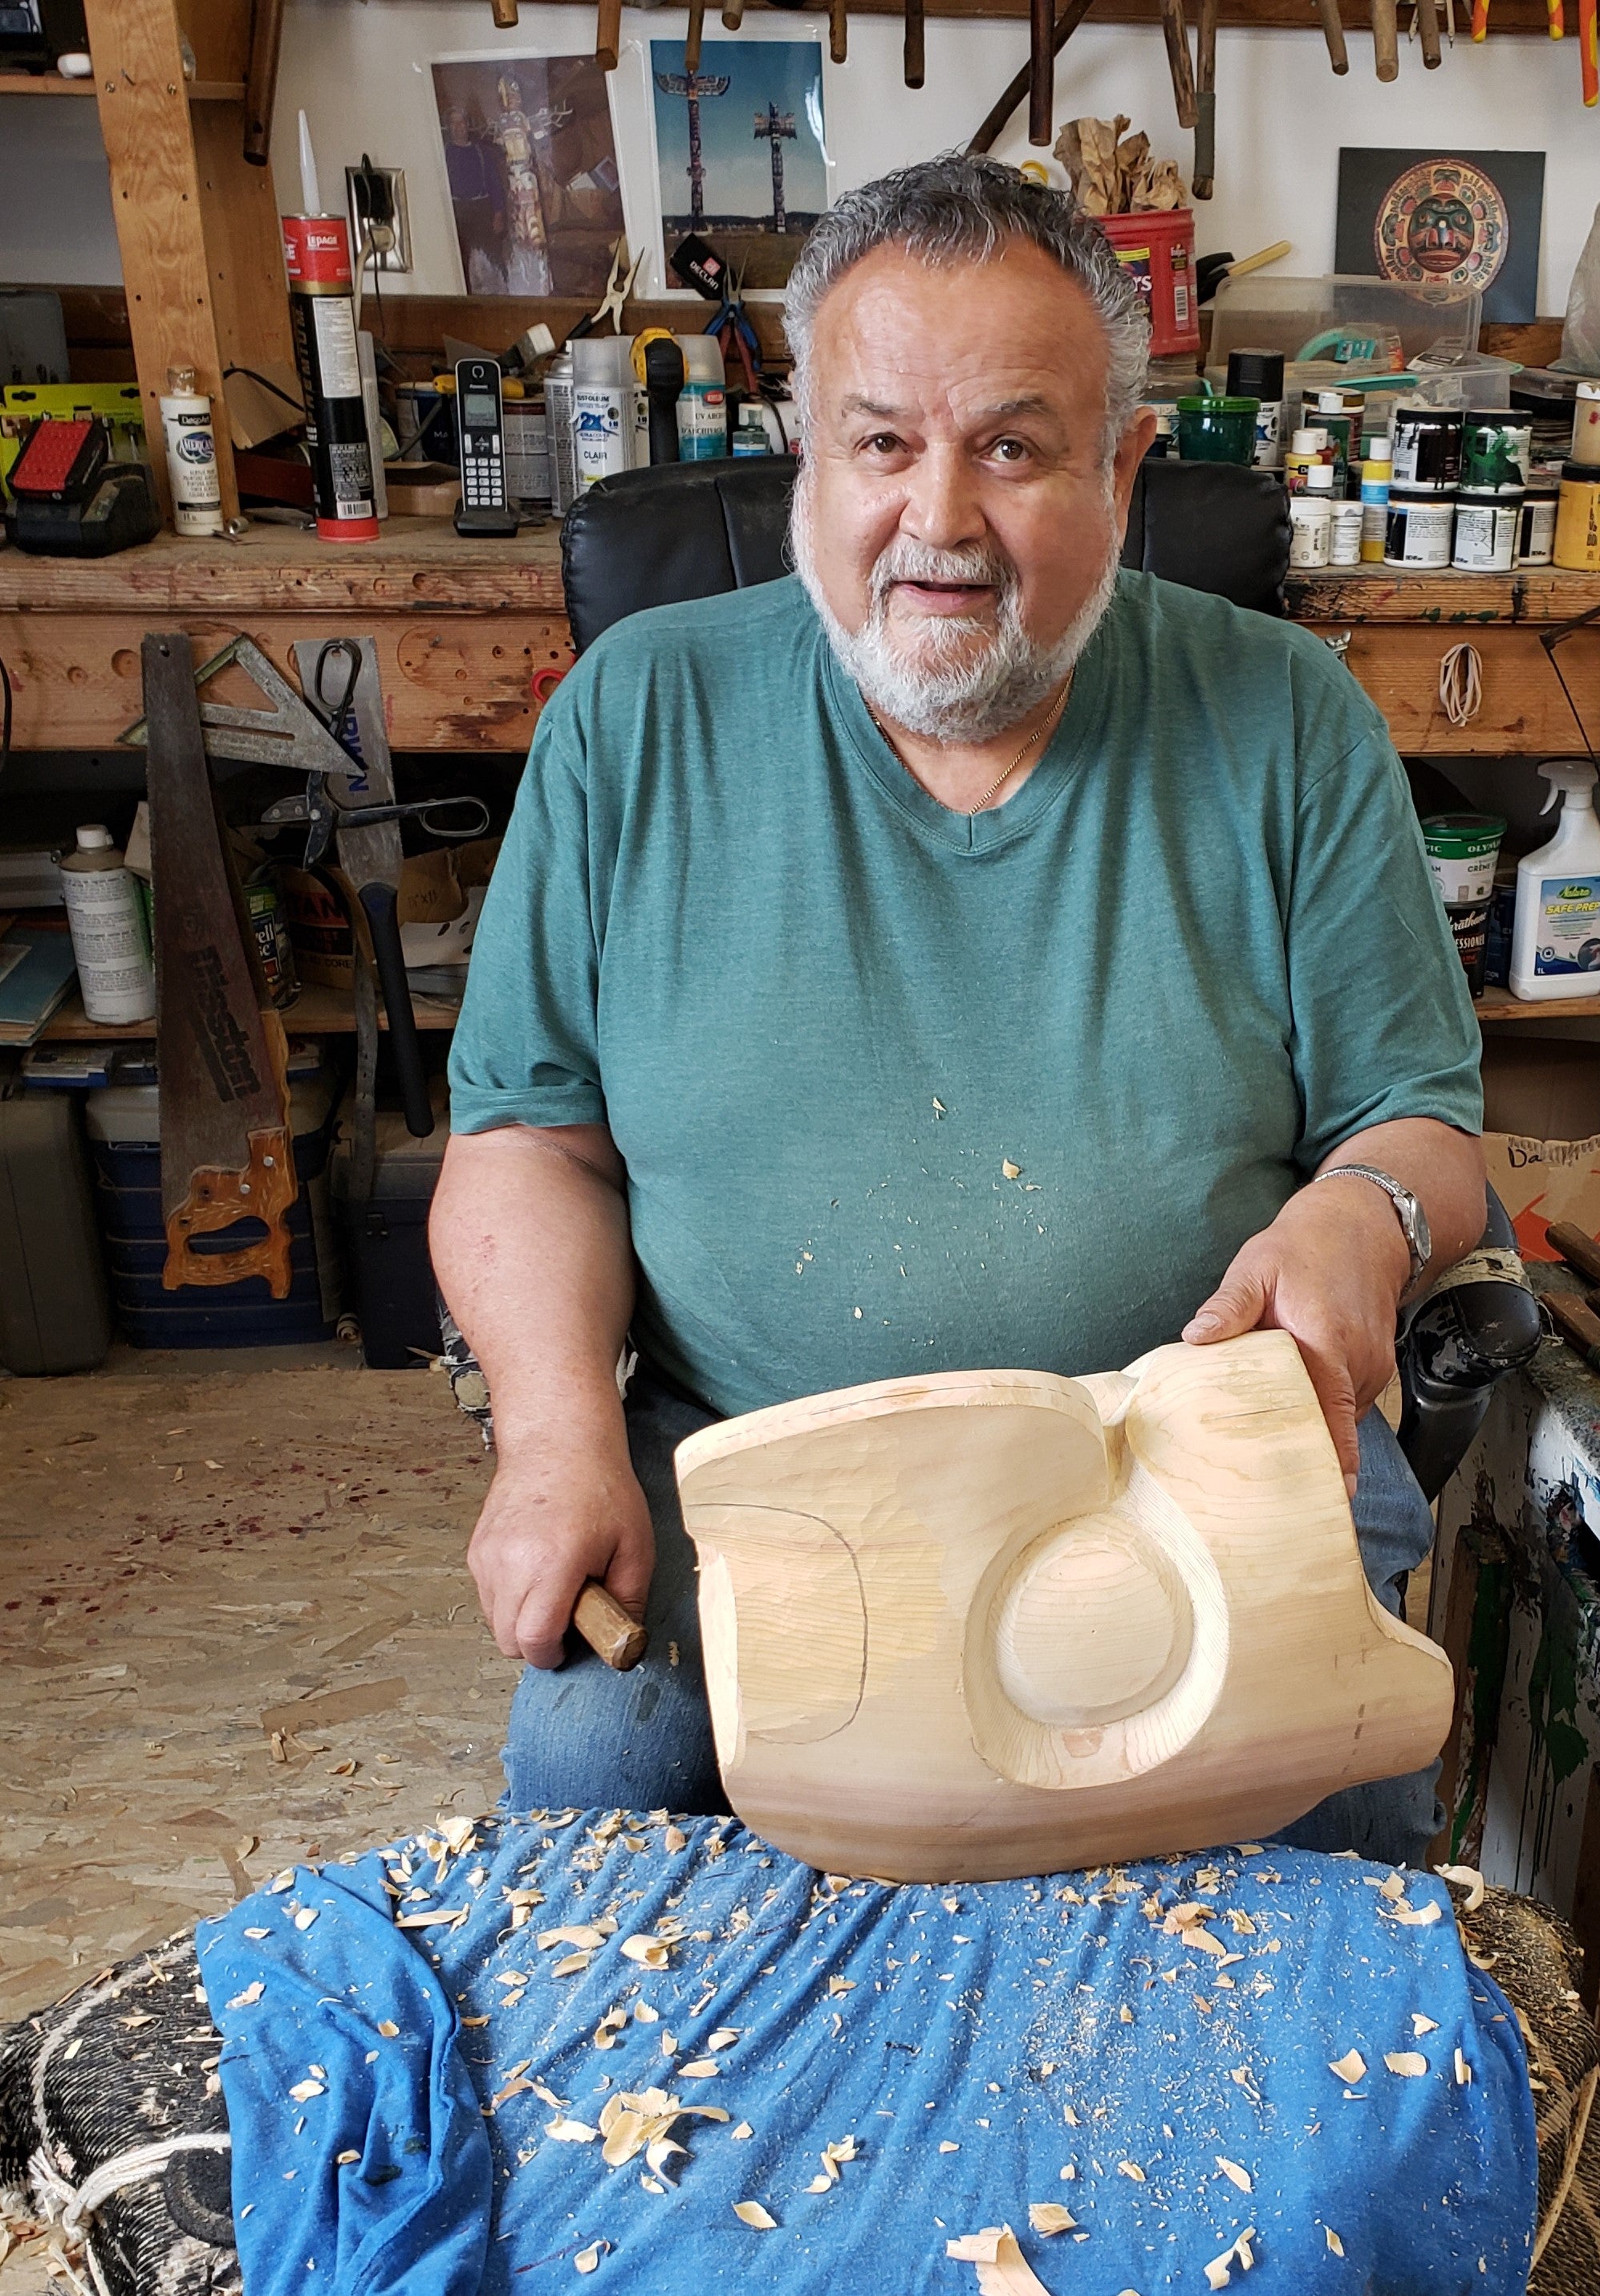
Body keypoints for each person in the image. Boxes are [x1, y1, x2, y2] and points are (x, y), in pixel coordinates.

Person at [431, 154, 1485, 1863]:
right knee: (592, 1789)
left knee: (1340, 1847)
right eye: (881, 443)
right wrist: (555, 1440)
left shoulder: (1286, 717)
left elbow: (1420, 1122)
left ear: (1125, 468)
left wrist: (1365, 1215)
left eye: (1010, 446)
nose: (937, 520)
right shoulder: (638, 718)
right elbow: (527, 1144)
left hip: (1178, 1473)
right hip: (762, 1490)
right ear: (808, 452)